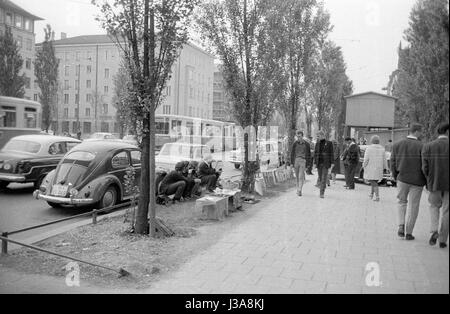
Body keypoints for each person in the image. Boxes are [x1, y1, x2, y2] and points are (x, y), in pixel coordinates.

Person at [391, 123, 426, 240]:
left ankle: (401, 225)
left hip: (402, 178)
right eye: (421, 131)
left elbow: (392, 162)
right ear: (416, 131)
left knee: (401, 202)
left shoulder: (397, 145)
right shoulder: (422, 146)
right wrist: (426, 180)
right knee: (414, 206)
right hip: (418, 181)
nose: (421, 134)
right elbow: (425, 165)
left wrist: (396, 176)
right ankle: (409, 232)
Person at [422, 123, 449, 248]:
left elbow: (424, 167)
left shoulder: (428, 146)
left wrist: (429, 179)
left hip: (434, 182)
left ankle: (434, 231)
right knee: (447, 211)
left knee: (433, 207)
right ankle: (443, 240)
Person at [363, 135, 388, 202]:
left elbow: (366, 159)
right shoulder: (382, 149)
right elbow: (384, 159)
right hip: (379, 168)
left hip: (371, 167)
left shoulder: (369, 148)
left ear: (372, 141)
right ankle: (371, 194)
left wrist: (364, 165)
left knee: (373, 181)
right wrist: (386, 168)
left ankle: (377, 197)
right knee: (374, 181)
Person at [290, 130, 311, 196]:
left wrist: (308, 165)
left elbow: (309, 155)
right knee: (297, 177)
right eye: (297, 136)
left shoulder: (307, 144)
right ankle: (297, 189)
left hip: (303, 161)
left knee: (300, 176)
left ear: (302, 136)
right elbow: (292, 153)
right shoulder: (295, 143)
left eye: (300, 136)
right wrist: (291, 163)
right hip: (296, 160)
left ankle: (300, 190)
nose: (298, 138)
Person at [314, 130, 334, 199]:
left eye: (318, 136)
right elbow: (315, 153)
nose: (317, 137)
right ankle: (323, 187)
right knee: (320, 178)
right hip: (319, 163)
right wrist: (314, 163)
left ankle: (321, 193)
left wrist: (332, 163)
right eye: (317, 136)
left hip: (326, 163)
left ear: (322, 135)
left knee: (323, 178)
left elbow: (331, 153)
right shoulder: (317, 143)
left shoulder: (329, 143)